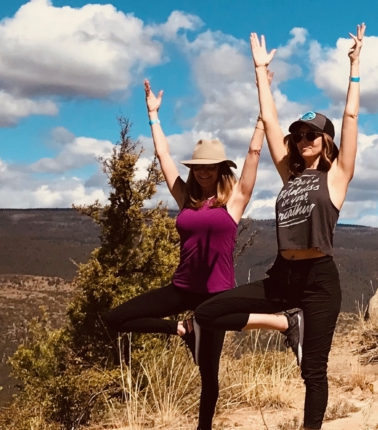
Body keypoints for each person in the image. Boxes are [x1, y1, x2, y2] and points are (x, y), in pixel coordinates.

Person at [192, 24, 365, 430]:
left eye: (311, 135)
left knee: (314, 373)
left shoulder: (337, 176)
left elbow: (351, 114)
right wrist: (259, 72)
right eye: (298, 135)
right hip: (282, 276)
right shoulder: (289, 176)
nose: (302, 139)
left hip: (320, 279)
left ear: (325, 141)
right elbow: (269, 121)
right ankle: (287, 322)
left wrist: (355, 68)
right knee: (207, 312)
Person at [103, 79, 264, 430]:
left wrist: (261, 118)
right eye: (198, 167)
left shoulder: (233, 203)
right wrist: (152, 115)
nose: (203, 172)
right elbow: (163, 157)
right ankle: (181, 329)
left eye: (210, 167)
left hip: (218, 295)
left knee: (209, 373)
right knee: (115, 319)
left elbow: (253, 156)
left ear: (222, 169)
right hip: (182, 288)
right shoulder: (185, 200)